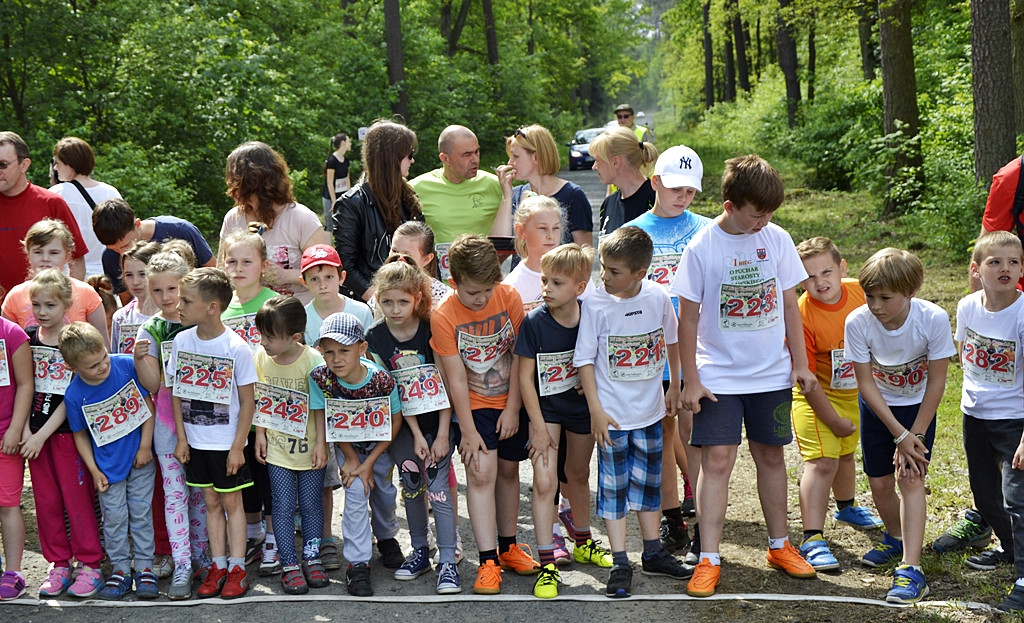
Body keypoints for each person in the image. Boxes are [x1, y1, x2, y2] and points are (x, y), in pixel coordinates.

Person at [674, 155, 818, 598]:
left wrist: (799, 362)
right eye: (757, 213)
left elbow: (791, 304)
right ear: (730, 204)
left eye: (770, 213)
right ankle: (709, 557)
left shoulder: (776, 239)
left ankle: (779, 545)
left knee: (772, 458)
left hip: (771, 375)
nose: (765, 221)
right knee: (717, 461)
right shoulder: (702, 247)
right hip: (719, 378)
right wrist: (691, 379)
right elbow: (688, 320)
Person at [574, 226, 690, 599]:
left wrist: (674, 384)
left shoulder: (658, 296)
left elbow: (670, 339)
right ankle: (621, 560)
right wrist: (595, 410)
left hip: (651, 412)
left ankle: (653, 551)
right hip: (612, 417)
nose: (604, 276)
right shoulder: (594, 302)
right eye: (603, 268)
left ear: (640, 273)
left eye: (613, 271)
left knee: (649, 486)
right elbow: (585, 360)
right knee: (614, 490)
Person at [844, 248, 955, 603]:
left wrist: (915, 434)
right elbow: (866, 383)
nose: (875, 305)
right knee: (878, 483)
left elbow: (937, 382)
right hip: (880, 409)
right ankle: (895, 537)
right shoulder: (858, 322)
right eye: (870, 296)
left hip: (918, 409)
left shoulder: (933, 319)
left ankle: (911, 568)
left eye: (885, 298)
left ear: (911, 292)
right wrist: (898, 433)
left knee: (911, 479)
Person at [430, 234, 539, 595]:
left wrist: (513, 408)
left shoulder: (508, 298)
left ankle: (508, 546)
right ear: (453, 281)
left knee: (509, 470)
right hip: (474, 405)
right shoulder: (444, 316)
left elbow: (521, 356)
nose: (480, 300)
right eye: (472, 292)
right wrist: (469, 431)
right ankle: (488, 559)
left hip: (511, 398)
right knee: (480, 473)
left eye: (486, 291)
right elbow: (455, 377)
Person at [624, 145, 711, 561]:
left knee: (696, 437)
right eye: (675, 188)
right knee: (660, 436)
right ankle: (672, 519)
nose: (683, 197)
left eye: (691, 192)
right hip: (651, 352)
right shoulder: (634, 232)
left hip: (698, 350)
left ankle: (701, 528)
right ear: (655, 182)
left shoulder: (709, 230)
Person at [517, 243, 611, 599]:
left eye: (555, 283)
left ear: (580, 287)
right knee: (544, 482)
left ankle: (583, 540)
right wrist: (538, 426)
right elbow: (525, 378)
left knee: (579, 475)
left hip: (582, 410)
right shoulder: (534, 322)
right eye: (544, 280)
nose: (546, 289)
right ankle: (547, 564)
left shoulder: (593, 314)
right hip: (547, 412)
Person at [366, 260, 461, 594]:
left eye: (403, 302)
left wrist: (443, 434)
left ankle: (448, 560)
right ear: (378, 299)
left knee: (439, 491)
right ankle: (420, 550)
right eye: (387, 301)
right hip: (404, 428)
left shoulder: (432, 328)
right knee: (412, 487)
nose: (395, 309)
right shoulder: (374, 337)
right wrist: (415, 434)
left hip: (438, 423)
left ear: (417, 299)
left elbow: (446, 383)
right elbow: (391, 390)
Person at [790, 237, 882, 571]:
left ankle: (846, 506)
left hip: (856, 394)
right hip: (817, 398)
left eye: (826, 272)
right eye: (809, 277)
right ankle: (812, 537)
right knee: (823, 463)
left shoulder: (862, 292)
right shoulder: (801, 313)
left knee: (845, 454)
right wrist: (832, 418)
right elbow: (807, 378)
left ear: (842, 268)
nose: (819, 282)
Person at [168, 268, 258, 599]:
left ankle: (237, 568)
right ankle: (217, 565)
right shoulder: (181, 341)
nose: (178, 305)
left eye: (186, 300)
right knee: (209, 502)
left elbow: (248, 403)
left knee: (232, 503)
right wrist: (181, 437)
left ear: (212, 307)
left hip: (226, 443)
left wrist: (238, 447)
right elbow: (176, 391)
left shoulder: (237, 347)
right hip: (195, 441)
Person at [20, 270, 105, 598]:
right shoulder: (29, 337)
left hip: (68, 433)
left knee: (77, 500)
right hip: (35, 435)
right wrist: (28, 429)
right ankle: (58, 563)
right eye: (36, 304)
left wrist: (41, 434)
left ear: (67, 304)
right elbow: (26, 386)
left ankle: (90, 563)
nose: (42, 311)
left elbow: (71, 396)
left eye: (50, 305)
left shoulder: (74, 339)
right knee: (47, 502)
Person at [951, 231, 1024, 612]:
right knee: (985, 493)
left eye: (1013, 262)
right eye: (995, 262)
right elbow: (966, 353)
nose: (1004, 269)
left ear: (1022, 269)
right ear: (976, 270)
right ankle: (1010, 550)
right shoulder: (967, 307)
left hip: (1016, 420)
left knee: (1019, 499)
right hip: (974, 415)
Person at [309, 312, 405, 597]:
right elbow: (327, 416)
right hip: (347, 448)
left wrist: (371, 461)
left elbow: (395, 421)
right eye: (329, 352)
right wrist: (352, 460)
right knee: (354, 493)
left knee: (384, 495)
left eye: (344, 350)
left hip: (379, 447)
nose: (336, 358)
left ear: (362, 348)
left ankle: (387, 537)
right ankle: (358, 562)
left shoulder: (381, 381)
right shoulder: (321, 378)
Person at [61, 321, 158, 601]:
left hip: (140, 459)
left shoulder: (126, 365)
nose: (102, 366)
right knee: (114, 519)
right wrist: (93, 470)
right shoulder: (75, 395)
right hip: (107, 467)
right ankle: (119, 570)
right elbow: (79, 435)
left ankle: (144, 567)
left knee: (140, 514)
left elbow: (148, 405)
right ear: (73, 367)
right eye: (92, 366)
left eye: (103, 357)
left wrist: (145, 446)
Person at [135, 250, 209, 598]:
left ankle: (204, 557)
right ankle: (182, 564)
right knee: (175, 493)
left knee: (203, 493)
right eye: (158, 291)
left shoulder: (202, 320)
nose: (166, 298)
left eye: (173, 289)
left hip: (206, 421)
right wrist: (141, 360)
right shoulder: (151, 328)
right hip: (166, 421)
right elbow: (152, 385)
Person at [252, 295, 329, 595]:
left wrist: (322, 444)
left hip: (310, 449)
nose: (263, 342)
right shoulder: (260, 358)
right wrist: (260, 434)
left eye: (270, 337)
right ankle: (289, 564)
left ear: (294, 337)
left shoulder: (312, 360)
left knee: (311, 505)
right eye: (261, 335)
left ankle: (311, 556)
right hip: (277, 450)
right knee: (282, 507)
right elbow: (262, 397)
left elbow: (321, 405)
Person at [219, 228, 280, 574]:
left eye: (247, 261)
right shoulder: (220, 309)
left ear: (263, 265)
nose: (238, 268)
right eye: (232, 261)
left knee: (269, 476)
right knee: (244, 478)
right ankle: (254, 533)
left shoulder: (273, 303)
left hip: (269, 411)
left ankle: (274, 538)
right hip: (233, 413)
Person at [220, 141, 329, 305]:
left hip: (297, 313)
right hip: (248, 315)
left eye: (233, 178)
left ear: (251, 180)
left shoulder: (302, 218)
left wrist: (286, 275)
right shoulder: (233, 218)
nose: (228, 184)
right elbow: (221, 270)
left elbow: (326, 272)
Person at [333, 119, 423, 302]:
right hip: (367, 305)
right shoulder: (351, 203)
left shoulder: (409, 198)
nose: (412, 160)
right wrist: (378, 300)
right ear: (391, 157)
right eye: (409, 154)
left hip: (409, 299)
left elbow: (424, 250)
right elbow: (345, 266)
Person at [0, 131, 87, 295]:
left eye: (2, 164)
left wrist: (70, 301)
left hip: (43, 308)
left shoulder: (51, 202)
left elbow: (76, 258)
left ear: (24, 165)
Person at [1, 218, 108, 349]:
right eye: (38, 252)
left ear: (67, 256)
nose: (45, 259)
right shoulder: (15, 296)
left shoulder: (86, 293)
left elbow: (103, 346)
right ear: (28, 254)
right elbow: (6, 347)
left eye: (53, 253)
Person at [92, 198, 215, 303]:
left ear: (137, 224)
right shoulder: (108, 257)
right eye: (114, 249)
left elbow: (213, 271)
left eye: (126, 246)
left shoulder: (181, 230)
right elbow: (127, 300)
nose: (122, 254)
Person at [496, 125, 593, 248]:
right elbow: (499, 247)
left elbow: (585, 254)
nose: (510, 163)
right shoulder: (515, 195)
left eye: (515, 156)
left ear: (535, 157)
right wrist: (506, 197)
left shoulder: (573, 195)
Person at [410, 125, 505, 244]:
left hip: (486, 261)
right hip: (435, 261)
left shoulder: (496, 185)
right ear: (445, 159)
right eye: (467, 155)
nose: (475, 160)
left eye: (477, 152)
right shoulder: (417, 188)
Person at [48, 137, 123, 278]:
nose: (56, 168)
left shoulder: (57, 193)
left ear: (69, 164)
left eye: (57, 163)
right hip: (107, 274)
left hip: (70, 274)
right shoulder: (111, 192)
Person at [0, 314, 31, 600]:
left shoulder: (12, 334)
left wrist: (14, 429)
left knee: (8, 505)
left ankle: (13, 572)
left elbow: (25, 384)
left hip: (4, 440)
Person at [591, 126, 659, 235]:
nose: (594, 167)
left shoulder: (656, 200)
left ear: (616, 162)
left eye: (598, 160)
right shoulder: (608, 204)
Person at [301, 243, 374, 345]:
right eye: (314, 279)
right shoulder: (302, 318)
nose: (323, 285)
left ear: (342, 277)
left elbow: (370, 352)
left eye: (329, 277)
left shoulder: (362, 311)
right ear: (304, 282)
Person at [322, 133, 352, 233]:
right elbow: (329, 182)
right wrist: (334, 201)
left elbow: (347, 179)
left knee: (344, 224)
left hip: (342, 195)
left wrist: (349, 196)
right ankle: (327, 247)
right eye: (349, 141)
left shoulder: (346, 161)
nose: (350, 143)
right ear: (343, 143)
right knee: (329, 225)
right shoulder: (332, 161)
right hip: (330, 196)